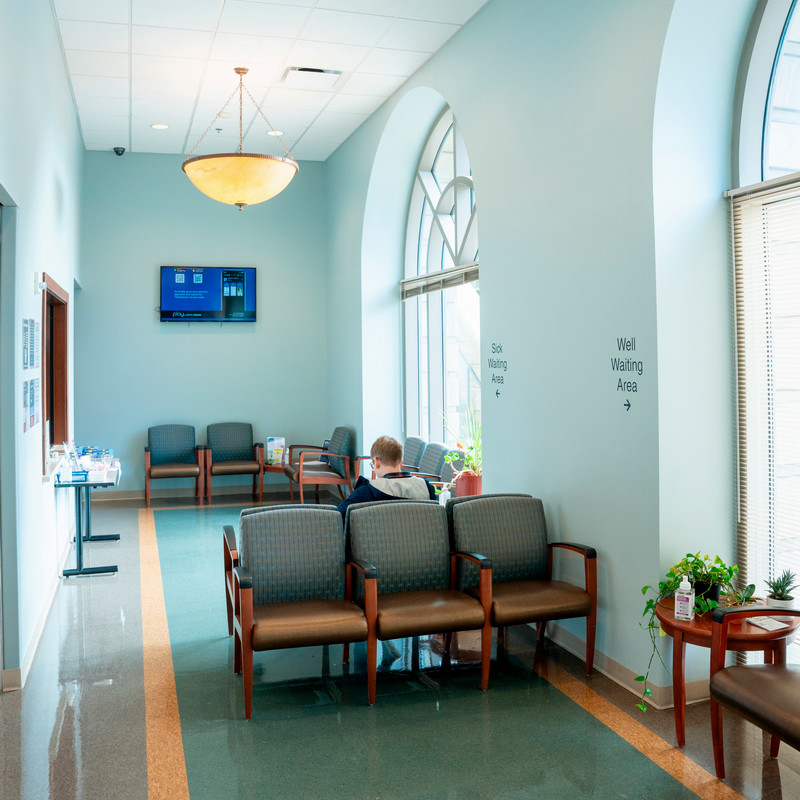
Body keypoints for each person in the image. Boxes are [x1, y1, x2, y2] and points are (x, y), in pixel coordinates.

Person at [337, 435, 436, 520]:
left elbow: (339, 515)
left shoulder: (366, 491)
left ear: (376, 462)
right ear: (401, 462)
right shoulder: (426, 487)